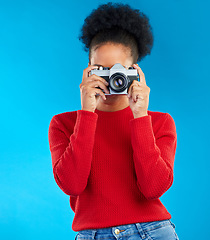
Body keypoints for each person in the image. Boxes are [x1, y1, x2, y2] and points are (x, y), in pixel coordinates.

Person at [48, 2, 179, 240]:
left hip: (152, 232)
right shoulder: (64, 124)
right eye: (101, 70)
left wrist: (140, 116)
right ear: (87, 70)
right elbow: (71, 185)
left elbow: (153, 188)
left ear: (135, 73)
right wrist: (87, 114)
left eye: (118, 71)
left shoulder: (159, 122)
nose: (111, 80)